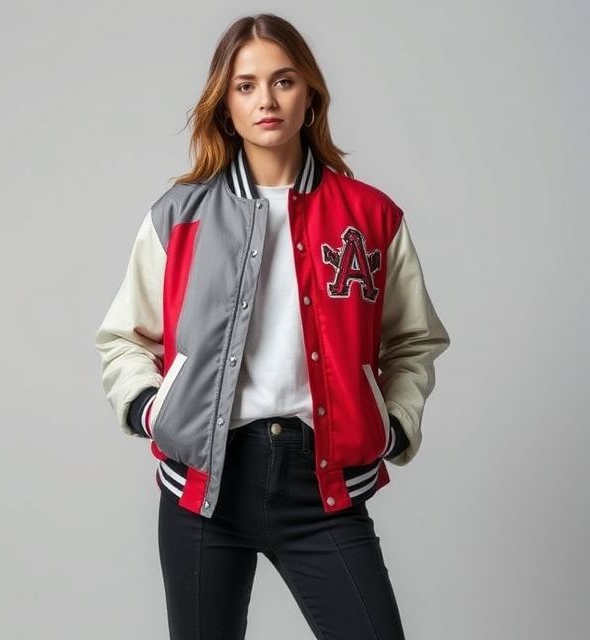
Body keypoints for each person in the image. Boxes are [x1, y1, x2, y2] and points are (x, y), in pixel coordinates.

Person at [94, 12, 450, 640]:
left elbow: (414, 339)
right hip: (204, 492)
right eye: (246, 85)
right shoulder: (180, 216)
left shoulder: (370, 216)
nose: (266, 100)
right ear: (225, 104)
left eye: (283, 81)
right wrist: (153, 410)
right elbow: (125, 337)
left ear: (310, 95)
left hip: (323, 489)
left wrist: (395, 423)